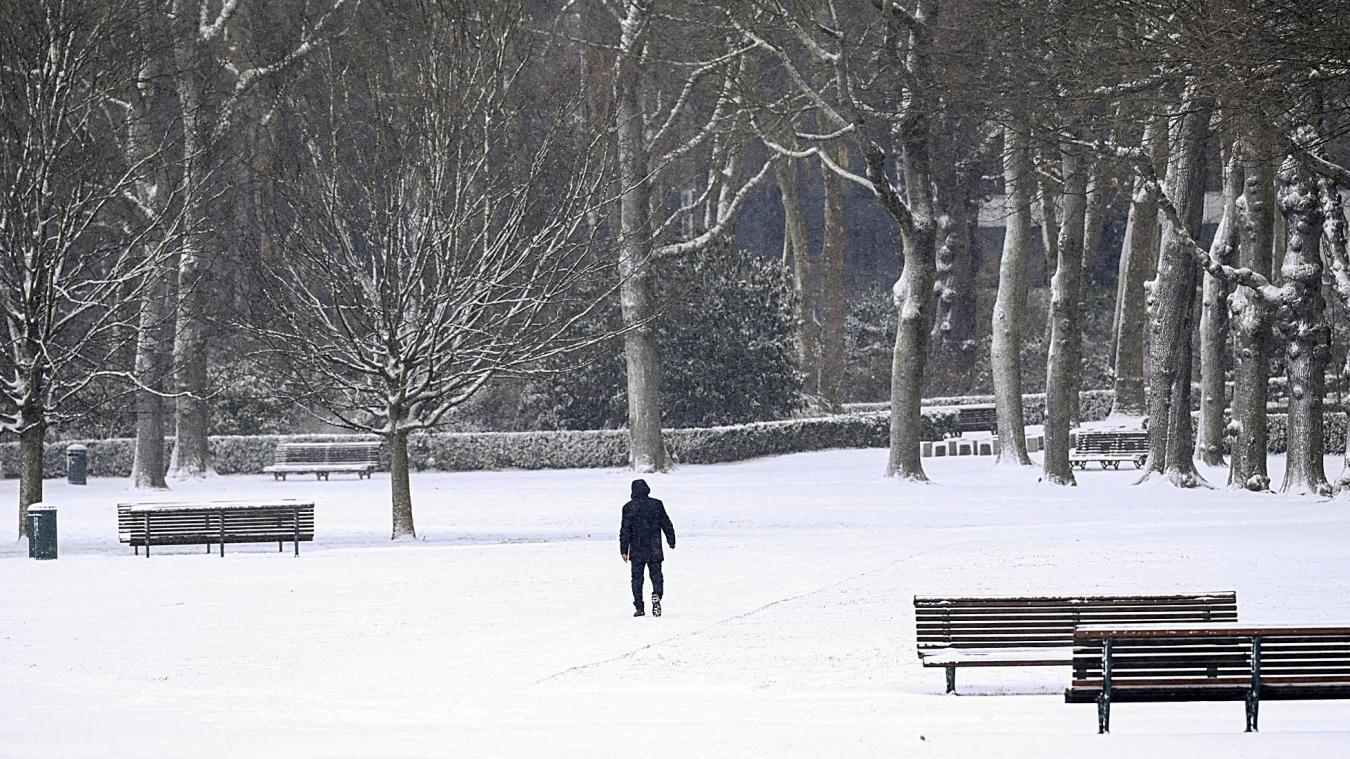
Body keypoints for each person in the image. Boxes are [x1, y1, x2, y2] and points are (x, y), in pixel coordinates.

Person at [619, 478, 676, 617]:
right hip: (654, 546)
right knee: (656, 575)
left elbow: (625, 530)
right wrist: (671, 540)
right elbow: (666, 523)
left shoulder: (628, 507)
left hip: (637, 548)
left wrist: (623, 549)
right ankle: (657, 594)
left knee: (637, 579)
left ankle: (639, 607)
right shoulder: (656, 504)